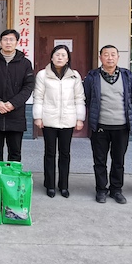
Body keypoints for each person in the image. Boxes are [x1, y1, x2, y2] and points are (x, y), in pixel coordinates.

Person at [83, 45, 132, 204]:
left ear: (118, 57)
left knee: (118, 160)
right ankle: (101, 189)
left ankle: (116, 190)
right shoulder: (92, 76)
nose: (110, 57)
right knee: (100, 161)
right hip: (100, 126)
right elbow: (88, 97)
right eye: (106, 54)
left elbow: (131, 96)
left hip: (121, 126)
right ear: (100, 58)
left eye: (113, 54)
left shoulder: (127, 75)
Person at [33, 45, 85, 198]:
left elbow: (79, 98)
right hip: (48, 119)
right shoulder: (43, 75)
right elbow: (38, 97)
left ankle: (63, 185)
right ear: (51, 57)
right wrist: (38, 116)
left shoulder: (74, 76)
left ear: (68, 59)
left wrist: (80, 118)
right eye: (57, 55)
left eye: (63, 55)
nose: (60, 57)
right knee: (49, 153)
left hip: (68, 119)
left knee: (65, 153)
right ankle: (49, 185)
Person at [0, 29, 35, 162]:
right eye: (5, 39)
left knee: (15, 153)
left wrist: (13, 104)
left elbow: (28, 87)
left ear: (17, 42)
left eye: (11, 40)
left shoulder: (25, 63)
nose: (8, 42)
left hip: (16, 115)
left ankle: (12, 175)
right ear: (0, 42)